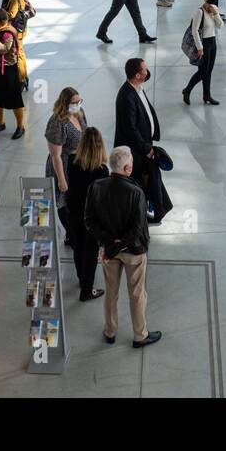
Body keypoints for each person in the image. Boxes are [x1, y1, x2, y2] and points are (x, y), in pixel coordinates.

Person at [84, 145, 160, 347]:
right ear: (127, 168)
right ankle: (140, 335)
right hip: (133, 252)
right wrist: (119, 245)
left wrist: (109, 244)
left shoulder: (96, 187)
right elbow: (137, 229)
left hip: (109, 252)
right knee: (137, 294)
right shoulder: (136, 192)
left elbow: (89, 220)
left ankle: (110, 331)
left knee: (111, 293)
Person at [114, 58, 172, 223]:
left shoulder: (137, 88)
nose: (148, 72)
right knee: (140, 184)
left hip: (144, 146)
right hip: (136, 151)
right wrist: (147, 149)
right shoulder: (126, 96)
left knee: (149, 180)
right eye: (145, 70)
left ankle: (156, 210)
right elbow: (130, 129)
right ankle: (141, 216)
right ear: (138, 75)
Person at [66, 127, 108, 301]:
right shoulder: (102, 170)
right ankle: (87, 289)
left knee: (78, 246)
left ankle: (80, 276)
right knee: (91, 252)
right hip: (92, 218)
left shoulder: (71, 161)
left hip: (74, 213)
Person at [45, 87, 87, 248]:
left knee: (76, 199)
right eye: (73, 102)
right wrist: (62, 181)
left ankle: (76, 229)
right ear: (65, 103)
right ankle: (70, 233)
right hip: (62, 165)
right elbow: (55, 155)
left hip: (78, 162)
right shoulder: (57, 122)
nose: (77, 105)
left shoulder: (79, 113)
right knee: (64, 201)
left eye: (78, 101)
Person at [0, 7, 26, 139]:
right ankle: (0, 123)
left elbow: (3, 50)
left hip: (8, 70)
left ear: (0, 22)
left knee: (14, 100)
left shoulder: (8, 33)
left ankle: (20, 126)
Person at [182, 0, 224, 105]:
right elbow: (194, 30)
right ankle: (187, 90)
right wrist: (200, 48)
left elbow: (220, 26)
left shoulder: (214, 8)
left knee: (209, 70)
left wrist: (215, 14)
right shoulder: (199, 12)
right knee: (203, 71)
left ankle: (207, 96)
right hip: (204, 44)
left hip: (213, 43)